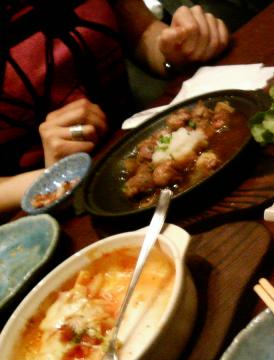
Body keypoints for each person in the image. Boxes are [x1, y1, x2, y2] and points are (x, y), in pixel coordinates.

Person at [0, 0, 229, 213]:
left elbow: (143, 32)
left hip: (141, 143)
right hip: (50, 214)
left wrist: (178, 48)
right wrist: (52, 177)